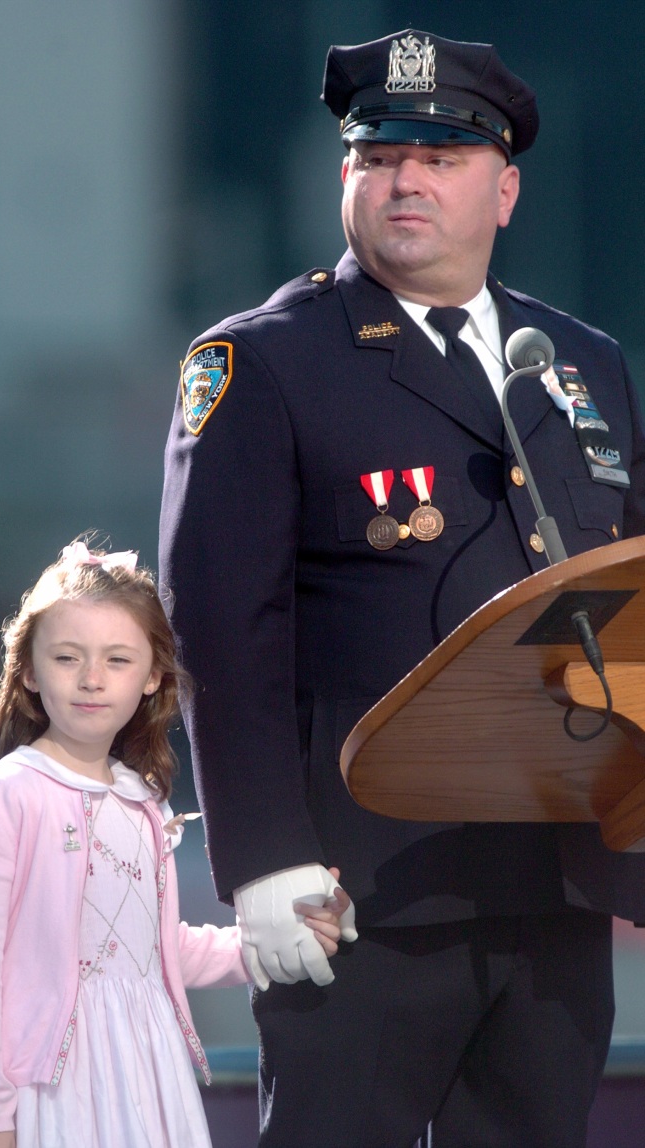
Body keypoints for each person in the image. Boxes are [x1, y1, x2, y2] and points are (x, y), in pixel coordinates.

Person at [158, 28, 645, 1148]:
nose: (406, 179)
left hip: (556, 874)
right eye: (378, 155)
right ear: (344, 179)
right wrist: (261, 859)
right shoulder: (263, 363)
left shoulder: (580, 361)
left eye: (441, 153)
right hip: (358, 888)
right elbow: (224, 630)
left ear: (505, 187)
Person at [0, 539, 348, 1148]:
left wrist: (271, 938)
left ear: (153, 675)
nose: (92, 679)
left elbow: (153, 950)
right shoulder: (4, 799)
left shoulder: (142, 801)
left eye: (118, 660)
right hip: (45, 1092)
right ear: (27, 668)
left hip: (145, 1076)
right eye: (68, 657)